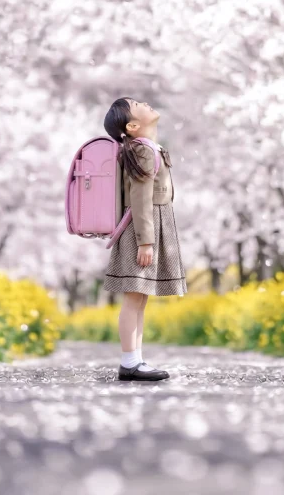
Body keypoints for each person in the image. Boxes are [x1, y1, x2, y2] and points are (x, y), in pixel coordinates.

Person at [103, 97, 187, 381]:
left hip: (149, 226)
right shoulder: (141, 151)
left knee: (139, 299)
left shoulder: (147, 147)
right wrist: (145, 241)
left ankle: (135, 359)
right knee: (133, 298)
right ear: (133, 125)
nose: (146, 103)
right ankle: (129, 361)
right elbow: (140, 199)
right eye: (137, 104)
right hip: (142, 229)